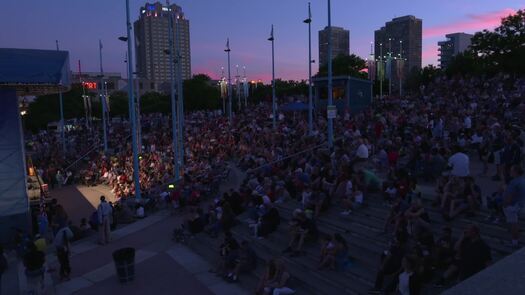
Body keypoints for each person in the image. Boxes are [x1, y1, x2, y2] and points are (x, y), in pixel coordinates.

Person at [503, 165, 525, 247]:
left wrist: (505, 205)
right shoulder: (522, 180)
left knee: (513, 224)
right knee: (514, 223)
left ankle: (514, 241)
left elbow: (509, 196)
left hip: (513, 206)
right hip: (519, 204)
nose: (510, 172)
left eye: (511, 170)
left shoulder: (514, 182)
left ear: (515, 172)